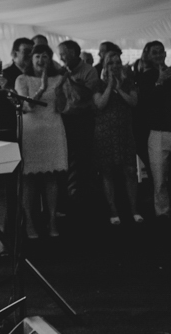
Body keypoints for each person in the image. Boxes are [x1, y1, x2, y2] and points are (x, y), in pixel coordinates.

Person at [15, 44, 68, 239]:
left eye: (45, 56)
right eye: (37, 56)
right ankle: (29, 222)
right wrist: (42, 88)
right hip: (31, 131)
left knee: (51, 177)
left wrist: (59, 89)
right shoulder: (22, 79)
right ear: (31, 59)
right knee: (29, 178)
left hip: (52, 129)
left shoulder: (58, 78)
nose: (41, 60)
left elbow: (62, 107)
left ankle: (52, 220)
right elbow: (25, 106)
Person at [138, 41, 171, 220]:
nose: (158, 55)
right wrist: (159, 82)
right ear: (149, 55)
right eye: (154, 52)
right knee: (159, 178)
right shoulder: (145, 77)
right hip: (157, 133)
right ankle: (162, 213)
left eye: (161, 52)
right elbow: (144, 103)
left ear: (165, 53)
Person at [93, 50, 143, 225]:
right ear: (105, 65)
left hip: (124, 132)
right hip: (105, 133)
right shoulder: (98, 84)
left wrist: (119, 88)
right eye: (110, 63)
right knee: (107, 172)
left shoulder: (128, 82)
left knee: (130, 170)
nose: (114, 66)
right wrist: (109, 86)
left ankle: (134, 209)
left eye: (117, 62)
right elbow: (100, 104)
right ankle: (113, 210)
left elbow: (133, 102)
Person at [56, 40, 102, 216]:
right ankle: (68, 198)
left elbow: (87, 94)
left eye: (63, 54)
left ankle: (85, 201)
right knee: (67, 160)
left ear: (74, 53)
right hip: (65, 120)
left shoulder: (89, 71)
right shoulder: (60, 71)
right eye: (59, 54)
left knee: (84, 160)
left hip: (84, 120)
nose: (61, 57)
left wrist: (69, 78)